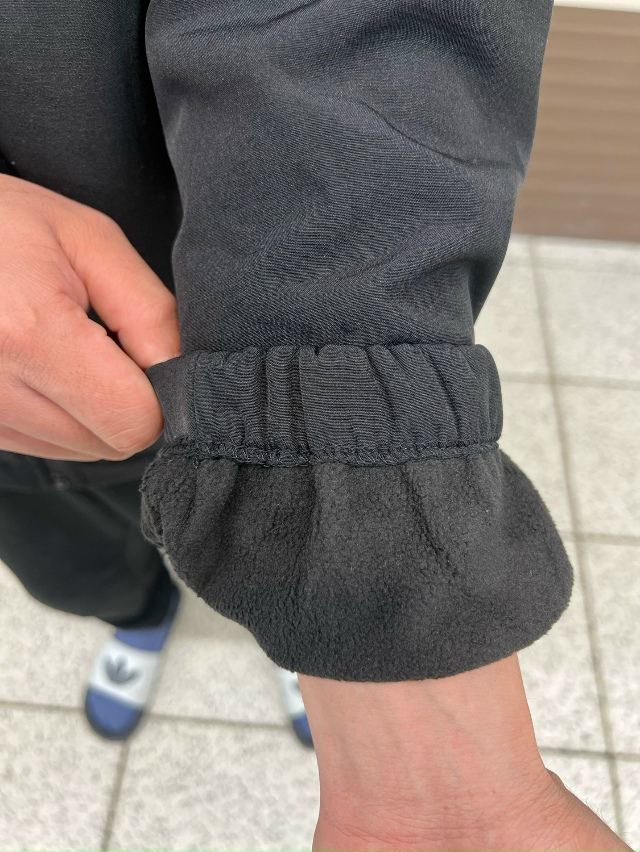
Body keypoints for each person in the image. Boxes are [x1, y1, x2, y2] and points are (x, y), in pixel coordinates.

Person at [0, 1, 631, 849]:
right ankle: (136, 617)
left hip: (218, 305)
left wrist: (376, 643)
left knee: (275, 577)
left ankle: (305, 645)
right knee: (76, 564)